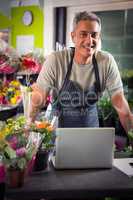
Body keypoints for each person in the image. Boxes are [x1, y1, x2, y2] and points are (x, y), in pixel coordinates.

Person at [30, 11, 133, 131]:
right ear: (73, 36)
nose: (89, 40)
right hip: (59, 130)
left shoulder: (106, 61)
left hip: (91, 129)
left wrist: (131, 135)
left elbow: (119, 101)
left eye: (94, 35)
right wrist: (28, 126)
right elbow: (38, 98)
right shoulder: (56, 60)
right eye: (83, 34)